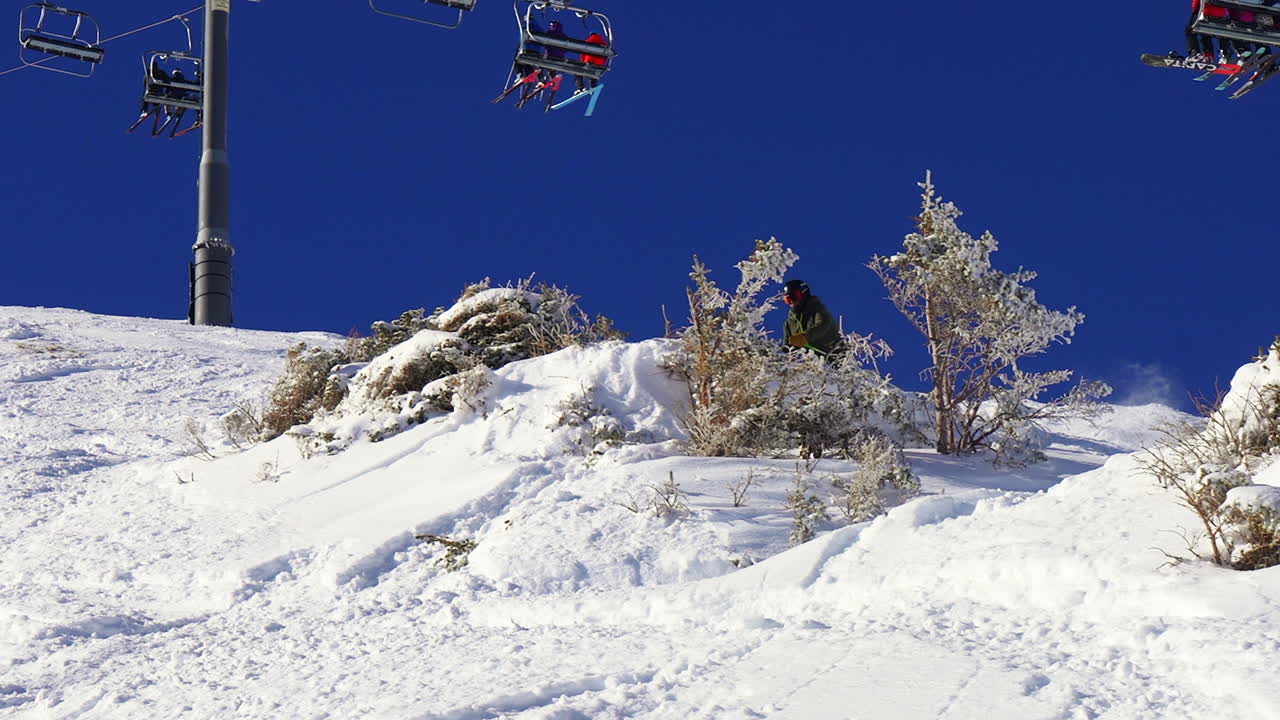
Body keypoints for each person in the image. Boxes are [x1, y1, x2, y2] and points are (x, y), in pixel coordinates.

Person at [781, 280, 845, 361]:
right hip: (813, 366)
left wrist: (805, 337)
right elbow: (786, 348)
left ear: (804, 294)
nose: (792, 302)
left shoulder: (818, 309)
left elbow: (823, 325)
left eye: (794, 297)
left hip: (834, 358)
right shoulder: (789, 324)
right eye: (787, 299)